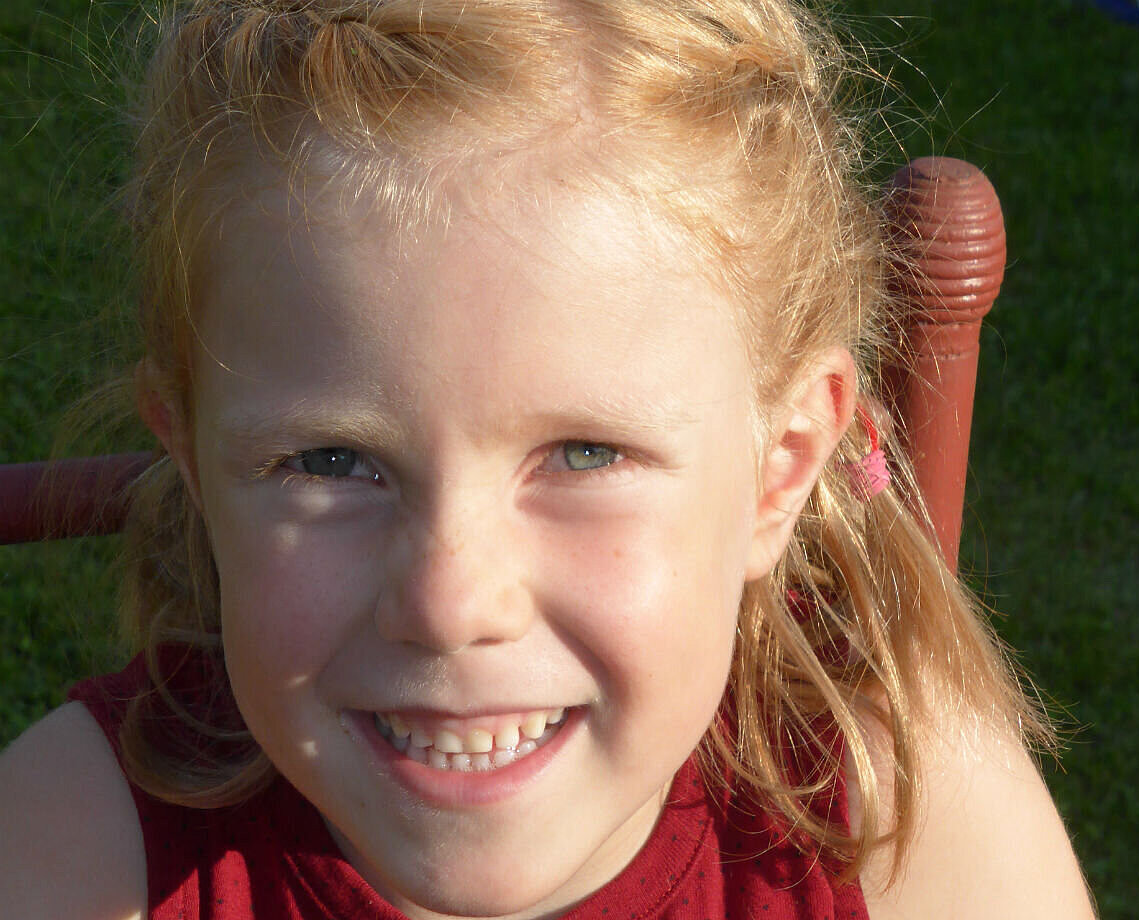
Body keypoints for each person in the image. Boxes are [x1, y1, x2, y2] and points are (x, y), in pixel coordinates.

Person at [0, 1, 1095, 917]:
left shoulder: (904, 827)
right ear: (190, 458)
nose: (448, 600)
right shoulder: (67, 857)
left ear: (781, 464)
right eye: (331, 458)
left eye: (582, 452)